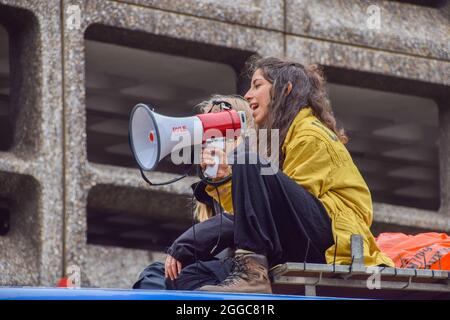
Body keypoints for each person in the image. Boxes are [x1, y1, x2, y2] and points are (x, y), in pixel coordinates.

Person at [192, 56, 395, 294]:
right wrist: (225, 180)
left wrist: (238, 164)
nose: (248, 95)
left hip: (332, 240)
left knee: (246, 159)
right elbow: (257, 214)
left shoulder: (310, 134)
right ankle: (250, 272)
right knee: (190, 277)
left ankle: (252, 273)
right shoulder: (287, 138)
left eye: (257, 85)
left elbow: (280, 212)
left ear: (285, 89)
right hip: (313, 237)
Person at [132, 94, 254, 290]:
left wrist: (185, 245)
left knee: (184, 279)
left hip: (243, 268)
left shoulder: (251, 167)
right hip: (221, 266)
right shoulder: (210, 187)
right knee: (154, 274)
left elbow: (243, 218)